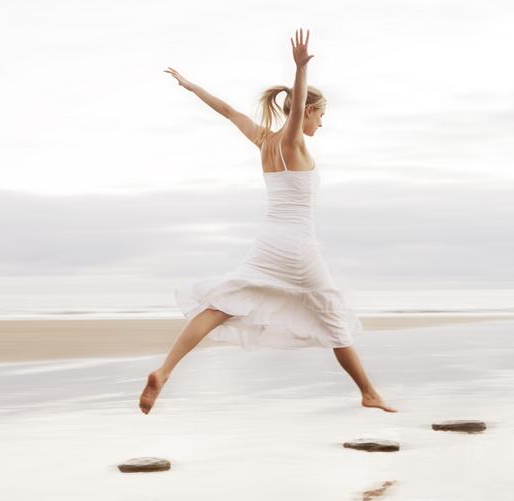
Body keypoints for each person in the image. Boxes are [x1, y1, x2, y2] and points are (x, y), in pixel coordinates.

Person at [140, 28, 396, 415]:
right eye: (321, 115)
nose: (321, 124)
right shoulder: (292, 142)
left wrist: (191, 87)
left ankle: (165, 369)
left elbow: (227, 111)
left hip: (267, 243)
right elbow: (293, 112)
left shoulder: (264, 141)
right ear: (307, 111)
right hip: (297, 247)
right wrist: (299, 70)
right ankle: (369, 392)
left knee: (222, 306)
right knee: (331, 315)